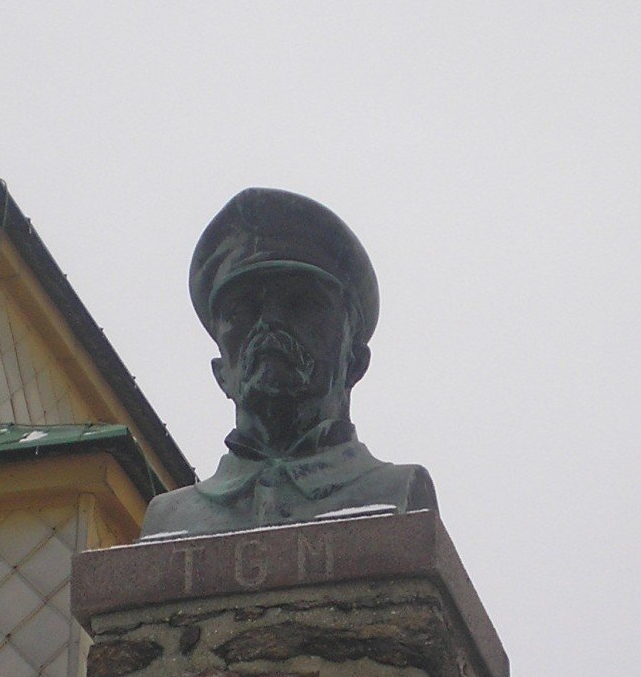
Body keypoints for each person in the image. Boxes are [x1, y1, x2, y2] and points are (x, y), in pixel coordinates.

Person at [140, 187, 437, 538]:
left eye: (302, 304)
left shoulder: (394, 492)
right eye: (243, 310)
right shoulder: (171, 519)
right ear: (221, 374)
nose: (269, 322)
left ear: (355, 363)